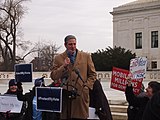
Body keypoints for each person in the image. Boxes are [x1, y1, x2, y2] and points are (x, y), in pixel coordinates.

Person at [50, 35, 97, 119]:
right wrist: (63, 66)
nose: (73, 47)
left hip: (80, 96)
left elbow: (92, 74)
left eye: (74, 44)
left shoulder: (86, 56)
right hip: (65, 96)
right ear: (65, 45)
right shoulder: (58, 58)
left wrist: (86, 87)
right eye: (70, 44)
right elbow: (54, 76)